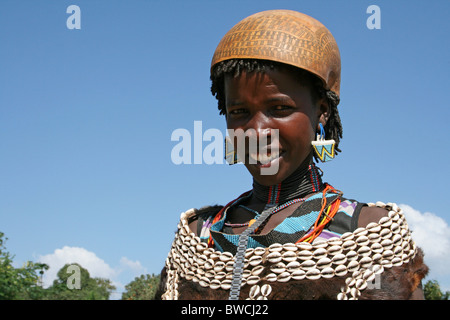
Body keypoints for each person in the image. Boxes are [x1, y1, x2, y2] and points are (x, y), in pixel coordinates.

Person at [155, 9, 428, 300]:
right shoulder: (198, 237)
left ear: (322, 110)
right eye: (239, 112)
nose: (257, 132)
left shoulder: (370, 233)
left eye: (280, 109)